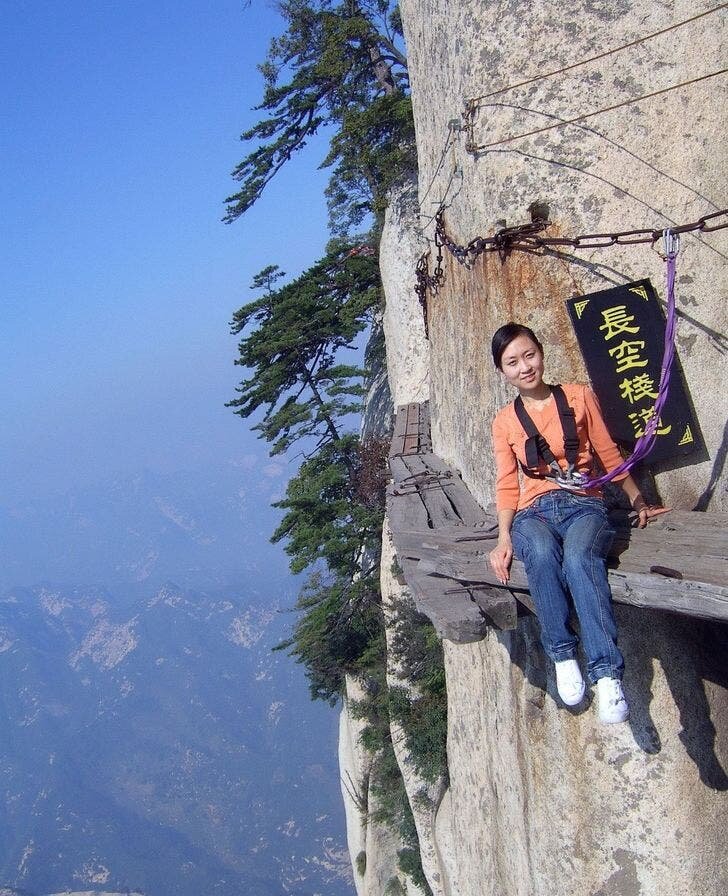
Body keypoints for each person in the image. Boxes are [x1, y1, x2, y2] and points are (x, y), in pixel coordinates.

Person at [488, 322, 668, 724]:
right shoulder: (504, 422)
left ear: (541, 352)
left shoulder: (577, 396)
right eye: (513, 362)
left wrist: (639, 499)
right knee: (539, 552)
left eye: (528, 355)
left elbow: (607, 451)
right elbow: (506, 483)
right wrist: (503, 537)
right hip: (533, 512)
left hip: (584, 505)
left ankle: (606, 674)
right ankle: (563, 655)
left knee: (579, 559)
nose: (525, 367)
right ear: (503, 372)